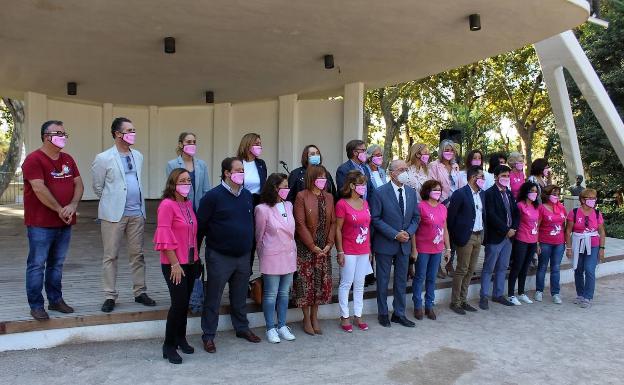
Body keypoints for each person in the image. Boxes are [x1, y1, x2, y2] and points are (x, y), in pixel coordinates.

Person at [197, 157, 261, 353]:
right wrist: (195, 254)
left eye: (243, 170)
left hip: (242, 256)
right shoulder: (212, 197)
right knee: (214, 297)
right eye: (238, 170)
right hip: (219, 256)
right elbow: (200, 227)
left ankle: (241, 328)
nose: (242, 173)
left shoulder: (247, 196)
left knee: (240, 295)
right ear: (226, 173)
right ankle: (208, 335)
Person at [91, 117, 156, 313]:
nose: (133, 133)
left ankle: (140, 292)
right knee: (110, 256)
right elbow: (97, 186)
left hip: (137, 212)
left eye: (134, 130)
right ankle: (110, 295)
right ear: (118, 133)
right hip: (114, 215)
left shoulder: (138, 155)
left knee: (138, 255)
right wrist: (113, 201)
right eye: (129, 130)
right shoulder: (103, 158)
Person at [22, 120, 83, 320]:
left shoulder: (68, 159)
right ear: (46, 136)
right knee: (37, 264)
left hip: (64, 222)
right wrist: (59, 209)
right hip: (41, 223)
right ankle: (36, 305)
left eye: (65, 133)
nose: (63, 137)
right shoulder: (34, 160)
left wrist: (73, 206)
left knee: (57, 264)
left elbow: (78, 184)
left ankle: (55, 300)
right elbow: (39, 188)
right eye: (59, 133)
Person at [154, 168, 200, 364]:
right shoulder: (166, 205)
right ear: (173, 183)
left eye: (188, 180)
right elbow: (164, 237)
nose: (186, 184)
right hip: (175, 264)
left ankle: (181, 338)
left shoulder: (188, 204)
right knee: (178, 304)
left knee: (185, 304)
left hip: (190, 262)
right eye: (182, 181)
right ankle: (169, 345)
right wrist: (174, 264)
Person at [371, 160, 420, 328]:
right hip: (385, 243)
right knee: (383, 280)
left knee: (401, 280)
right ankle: (383, 313)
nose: (405, 172)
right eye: (401, 169)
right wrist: (394, 234)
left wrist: (409, 232)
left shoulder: (411, 192)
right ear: (392, 173)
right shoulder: (379, 192)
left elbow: (416, 217)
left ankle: (399, 313)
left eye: (406, 169)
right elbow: (375, 219)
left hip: (405, 243)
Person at [293, 165, 336, 335]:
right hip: (306, 248)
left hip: (324, 249)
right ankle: (305, 317)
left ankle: (314, 317)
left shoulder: (330, 197)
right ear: (311, 178)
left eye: (324, 177)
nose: (323, 180)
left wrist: (328, 244)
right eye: (319, 177)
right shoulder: (301, 196)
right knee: (306, 284)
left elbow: (333, 222)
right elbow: (300, 223)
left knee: (319, 284)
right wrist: (312, 246)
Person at [254, 173, 297, 343]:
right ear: (274, 188)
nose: (287, 190)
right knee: (271, 294)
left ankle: (282, 325)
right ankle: (270, 327)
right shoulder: (262, 209)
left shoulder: (289, 205)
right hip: (271, 256)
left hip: (289, 255)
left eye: (288, 187)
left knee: (284, 293)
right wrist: (264, 253)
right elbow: (259, 235)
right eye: (283, 187)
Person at [335, 170, 372, 332]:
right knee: (346, 283)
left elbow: (368, 227)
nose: (364, 187)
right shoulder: (342, 204)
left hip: (363, 250)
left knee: (360, 284)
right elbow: (337, 229)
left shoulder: (365, 203)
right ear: (351, 186)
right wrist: (340, 251)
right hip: (349, 250)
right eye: (361, 184)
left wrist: (369, 250)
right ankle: (344, 316)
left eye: (364, 184)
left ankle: (358, 315)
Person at [447, 166, 486, 315]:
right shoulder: (460, 193)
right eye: (481, 177)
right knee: (462, 269)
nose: (483, 180)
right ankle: (455, 302)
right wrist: (456, 237)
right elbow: (452, 218)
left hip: (478, 235)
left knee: (471, 270)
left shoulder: (481, 194)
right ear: (472, 177)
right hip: (465, 236)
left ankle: (463, 300)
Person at [480, 164, 519, 309]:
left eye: (508, 176)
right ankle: (483, 296)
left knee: (502, 267)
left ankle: (498, 294)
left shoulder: (508, 193)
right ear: (496, 177)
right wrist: (505, 230)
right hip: (496, 237)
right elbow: (490, 215)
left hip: (509, 237)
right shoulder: (489, 193)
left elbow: (515, 212)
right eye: (503, 176)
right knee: (489, 268)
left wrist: (513, 228)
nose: (506, 178)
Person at [411, 180, 451, 321]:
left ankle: (429, 305)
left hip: (437, 249)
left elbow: (445, 229)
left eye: (439, 190)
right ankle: (417, 305)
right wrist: (414, 249)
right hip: (422, 248)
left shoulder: (442, 208)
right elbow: (414, 230)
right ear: (427, 191)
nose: (438, 192)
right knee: (420, 277)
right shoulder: (420, 207)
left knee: (431, 278)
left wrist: (448, 248)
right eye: (434, 189)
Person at [565, 188, 606, 309]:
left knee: (589, 269)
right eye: (591, 198)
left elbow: (602, 232)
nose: (593, 200)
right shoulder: (574, 212)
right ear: (583, 200)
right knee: (578, 269)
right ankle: (580, 294)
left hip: (593, 244)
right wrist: (569, 248)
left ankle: (588, 296)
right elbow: (568, 231)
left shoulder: (597, 213)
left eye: (595, 198)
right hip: (578, 243)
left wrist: (602, 248)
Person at [237, 133, 268, 271]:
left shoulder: (260, 164)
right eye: (256, 143)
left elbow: (264, 184)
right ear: (247, 144)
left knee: (254, 239)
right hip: (241, 203)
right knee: (242, 237)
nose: (259, 146)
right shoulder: (237, 162)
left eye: (260, 144)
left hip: (257, 203)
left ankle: (247, 272)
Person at [507, 181, 540, 306]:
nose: (534, 193)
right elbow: (515, 221)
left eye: (536, 191)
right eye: (531, 191)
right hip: (521, 239)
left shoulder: (536, 206)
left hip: (532, 240)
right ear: (526, 192)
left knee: (525, 268)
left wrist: (537, 242)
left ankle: (521, 292)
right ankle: (511, 294)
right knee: (517, 266)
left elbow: (537, 224)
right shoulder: (520, 205)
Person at [535, 185, 567, 304]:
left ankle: (555, 293)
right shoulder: (541, 208)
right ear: (547, 194)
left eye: (558, 194)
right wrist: (536, 244)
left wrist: (566, 243)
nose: (556, 196)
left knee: (556, 268)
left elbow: (564, 226)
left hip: (559, 243)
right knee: (542, 267)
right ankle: (539, 290)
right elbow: (536, 226)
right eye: (554, 194)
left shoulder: (562, 208)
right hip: (545, 242)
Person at [166, 132, 211, 212]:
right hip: (181, 210)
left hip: (199, 210)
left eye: (194, 142)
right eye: (189, 142)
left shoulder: (202, 164)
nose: (192, 144)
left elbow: (206, 190)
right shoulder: (172, 164)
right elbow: (171, 190)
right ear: (180, 144)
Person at [427, 139, 460, 204]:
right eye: (447, 150)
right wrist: (444, 202)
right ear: (441, 151)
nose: (450, 152)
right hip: (441, 203)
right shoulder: (434, 165)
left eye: (452, 150)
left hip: (456, 202)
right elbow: (431, 186)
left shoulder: (455, 166)